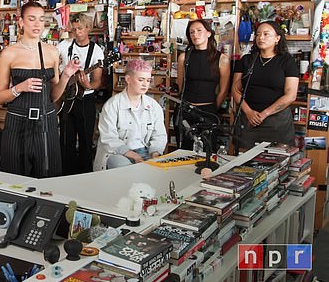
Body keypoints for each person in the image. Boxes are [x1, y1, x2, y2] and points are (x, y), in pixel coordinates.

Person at [0, 1, 80, 178]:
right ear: (21, 22)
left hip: (46, 122)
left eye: (41, 20)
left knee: (48, 177)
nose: (36, 24)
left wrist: (66, 75)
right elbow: (0, 97)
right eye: (31, 19)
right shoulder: (9, 53)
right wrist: (19, 87)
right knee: (14, 178)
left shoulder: (52, 52)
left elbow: (53, 96)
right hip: (17, 122)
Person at [232, 21, 298, 150]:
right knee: (244, 164)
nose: (261, 37)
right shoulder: (247, 60)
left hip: (277, 122)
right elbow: (235, 89)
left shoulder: (287, 61)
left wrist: (264, 114)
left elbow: (290, 95)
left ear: (277, 38)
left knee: (278, 164)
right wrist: (249, 112)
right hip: (248, 121)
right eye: (258, 34)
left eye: (266, 34)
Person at [94, 58, 166, 170]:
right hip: (117, 153)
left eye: (148, 80)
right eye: (141, 80)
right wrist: (134, 156)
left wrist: (155, 154)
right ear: (128, 79)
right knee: (122, 166)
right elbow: (109, 138)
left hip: (146, 151)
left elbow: (159, 136)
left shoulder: (153, 106)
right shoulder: (112, 105)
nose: (145, 84)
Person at [57, 13, 104, 175]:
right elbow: (54, 65)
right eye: (74, 29)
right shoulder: (64, 45)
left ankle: (85, 175)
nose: (77, 32)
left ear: (88, 29)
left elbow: (97, 82)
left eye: (80, 29)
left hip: (85, 99)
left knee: (85, 140)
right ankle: (64, 174)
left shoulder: (96, 51)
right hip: (65, 98)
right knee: (65, 139)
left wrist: (88, 85)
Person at [176, 19, 230, 150]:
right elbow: (180, 84)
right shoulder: (184, 57)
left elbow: (223, 90)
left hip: (208, 112)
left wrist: (211, 108)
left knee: (207, 152)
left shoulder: (222, 59)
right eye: (192, 32)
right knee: (183, 152)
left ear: (209, 33)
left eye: (199, 30)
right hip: (185, 111)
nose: (195, 35)